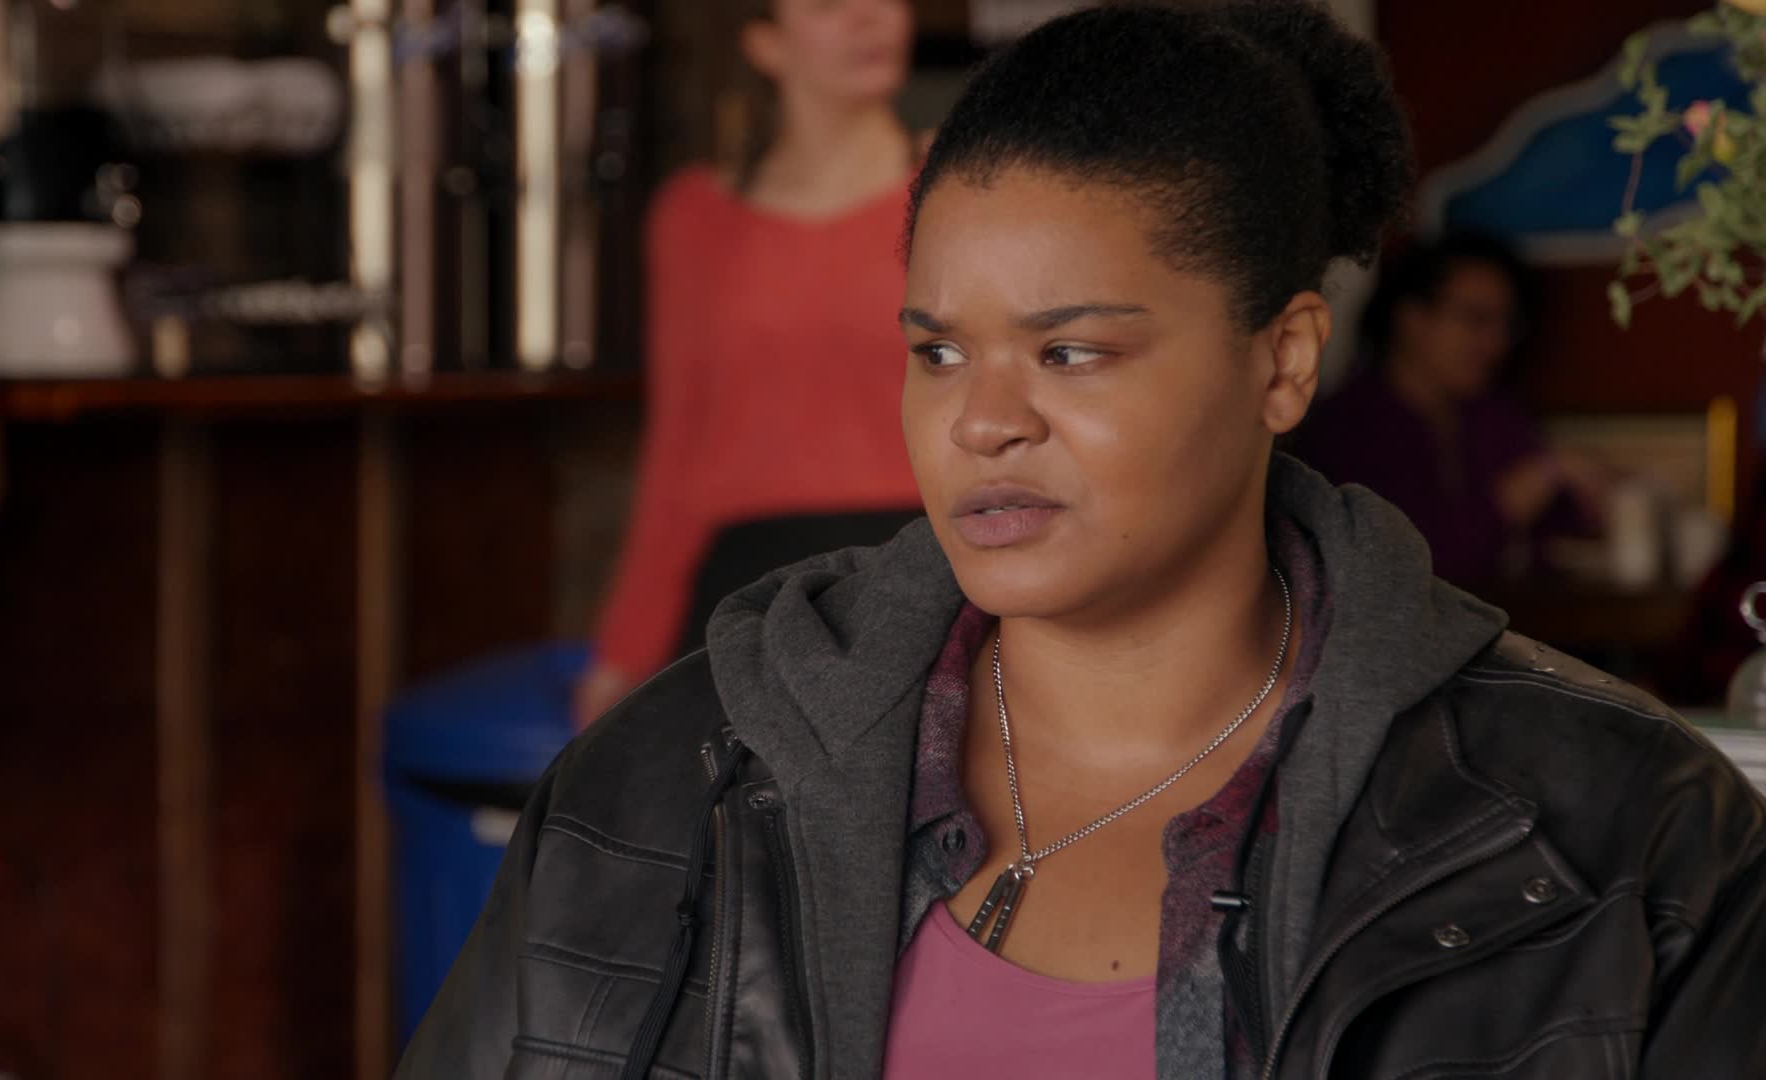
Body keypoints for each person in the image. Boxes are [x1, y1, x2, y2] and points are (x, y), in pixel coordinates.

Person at [400, 4, 1766, 1078]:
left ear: (1284, 360)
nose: (983, 421)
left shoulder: (1626, 838)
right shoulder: (659, 792)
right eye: (938, 352)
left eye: (1071, 351)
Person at [574, 0, 927, 728]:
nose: (870, 18)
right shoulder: (696, 216)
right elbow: (677, 443)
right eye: (829, 4)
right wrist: (623, 651)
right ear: (766, 43)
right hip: (747, 584)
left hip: (919, 567)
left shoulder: (958, 192)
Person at [1294, 231, 1602, 585]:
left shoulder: (1493, 415)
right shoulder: (1350, 426)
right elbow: (1413, 564)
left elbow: (1559, 535)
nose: (1496, 342)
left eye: (1507, 324)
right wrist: (1535, 480)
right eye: (1477, 319)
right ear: (1411, 318)